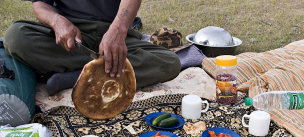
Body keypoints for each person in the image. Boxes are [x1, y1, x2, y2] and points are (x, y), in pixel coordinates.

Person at [3, 0, 181, 92]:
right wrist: (57, 21)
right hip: (72, 35)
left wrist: (118, 30)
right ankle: (102, 67)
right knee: (15, 36)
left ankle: (74, 77)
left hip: (115, 29)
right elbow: (40, 5)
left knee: (169, 62)